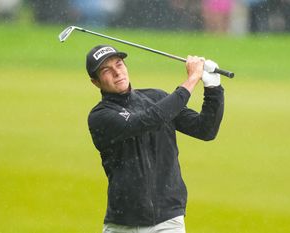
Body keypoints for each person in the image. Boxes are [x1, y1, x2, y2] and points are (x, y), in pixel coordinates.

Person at [86, 45, 224, 233]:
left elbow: (205, 129)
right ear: (96, 82)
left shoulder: (156, 97)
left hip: (167, 221)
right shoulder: (101, 116)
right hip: (122, 224)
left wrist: (213, 89)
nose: (117, 73)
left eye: (119, 64)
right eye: (106, 70)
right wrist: (192, 79)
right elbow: (148, 120)